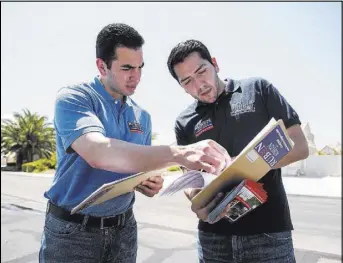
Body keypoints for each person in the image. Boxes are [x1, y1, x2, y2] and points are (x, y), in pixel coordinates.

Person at [39, 25, 229, 263]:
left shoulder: (142, 117)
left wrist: (148, 182)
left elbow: (140, 166)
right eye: (127, 68)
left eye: (140, 68)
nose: (136, 77)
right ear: (102, 66)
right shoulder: (75, 98)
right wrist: (181, 153)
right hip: (72, 233)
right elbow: (97, 152)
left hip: (124, 230)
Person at [167, 39, 309, 263]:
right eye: (187, 81)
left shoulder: (258, 90)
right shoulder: (184, 122)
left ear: (215, 64)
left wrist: (238, 164)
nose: (199, 84)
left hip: (268, 234)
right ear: (182, 86)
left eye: (202, 71)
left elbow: (299, 146)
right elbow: (189, 178)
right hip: (213, 238)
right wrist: (195, 201)